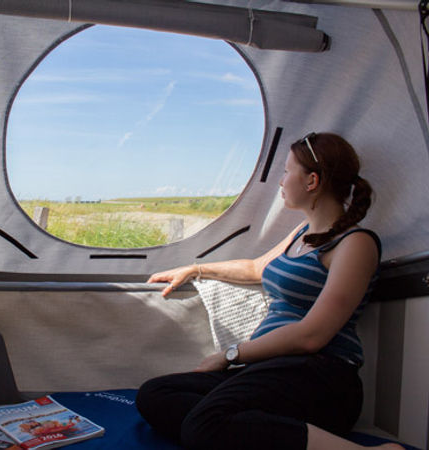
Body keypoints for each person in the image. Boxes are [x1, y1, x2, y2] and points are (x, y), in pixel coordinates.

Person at [137, 133, 404, 450]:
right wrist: (195, 269)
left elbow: (311, 336)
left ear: (312, 181)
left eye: (287, 171)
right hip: (270, 371)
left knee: (204, 425)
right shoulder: (302, 234)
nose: (281, 181)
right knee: (154, 395)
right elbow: (254, 269)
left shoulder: (355, 244)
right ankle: (251, 430)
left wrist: (230, 354)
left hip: (322, 378)